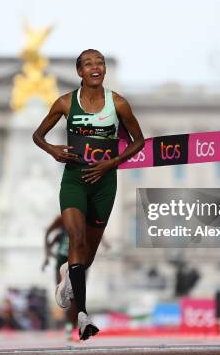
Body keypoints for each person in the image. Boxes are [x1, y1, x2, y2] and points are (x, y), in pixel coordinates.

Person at [33, 49, 144, 340]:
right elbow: (37, 135)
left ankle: (69, 273)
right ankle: (82, 315)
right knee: (76, 239)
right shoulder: (64, 103)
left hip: (105, 184)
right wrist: (53, 150)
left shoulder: (118, 103)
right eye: (89, 64)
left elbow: (139, 141)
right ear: (80, 72)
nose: (96, 67)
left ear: (104, 70)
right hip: (74, 180)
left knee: (87, 254)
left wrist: (112, 162)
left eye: (100, 63)